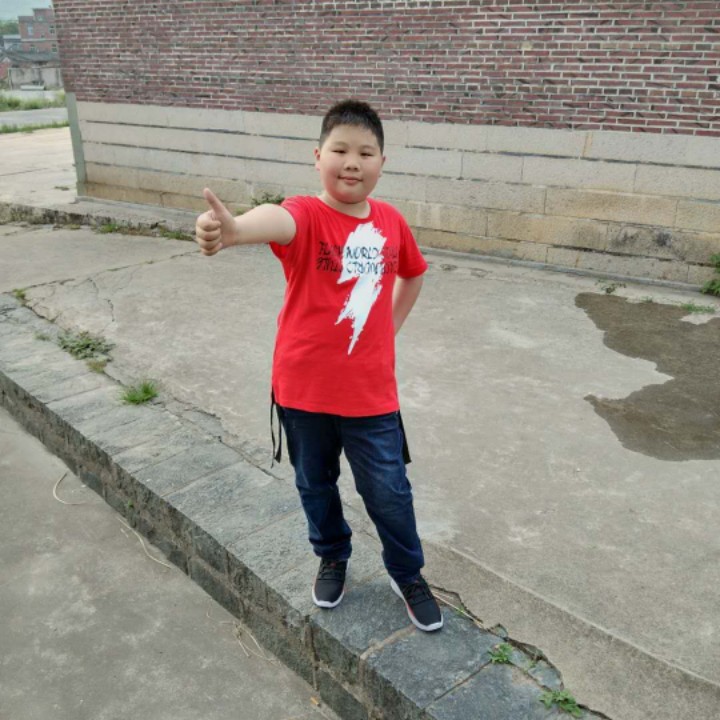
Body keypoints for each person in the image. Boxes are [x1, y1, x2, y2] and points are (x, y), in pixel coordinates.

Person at [195, 99, 442, 632]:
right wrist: (234, 230)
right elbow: (276, 220)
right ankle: (332, 556)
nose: (352, 162)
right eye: (340, 150)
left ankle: (407, 572)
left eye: (366, 153)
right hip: (303, 392)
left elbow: (413, 274)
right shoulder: (306, 214)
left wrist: (388, 328)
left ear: (382, 162)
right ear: (318, 156)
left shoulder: (392, 222)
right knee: (315, 484)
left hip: (370, 396)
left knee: (389, 492)